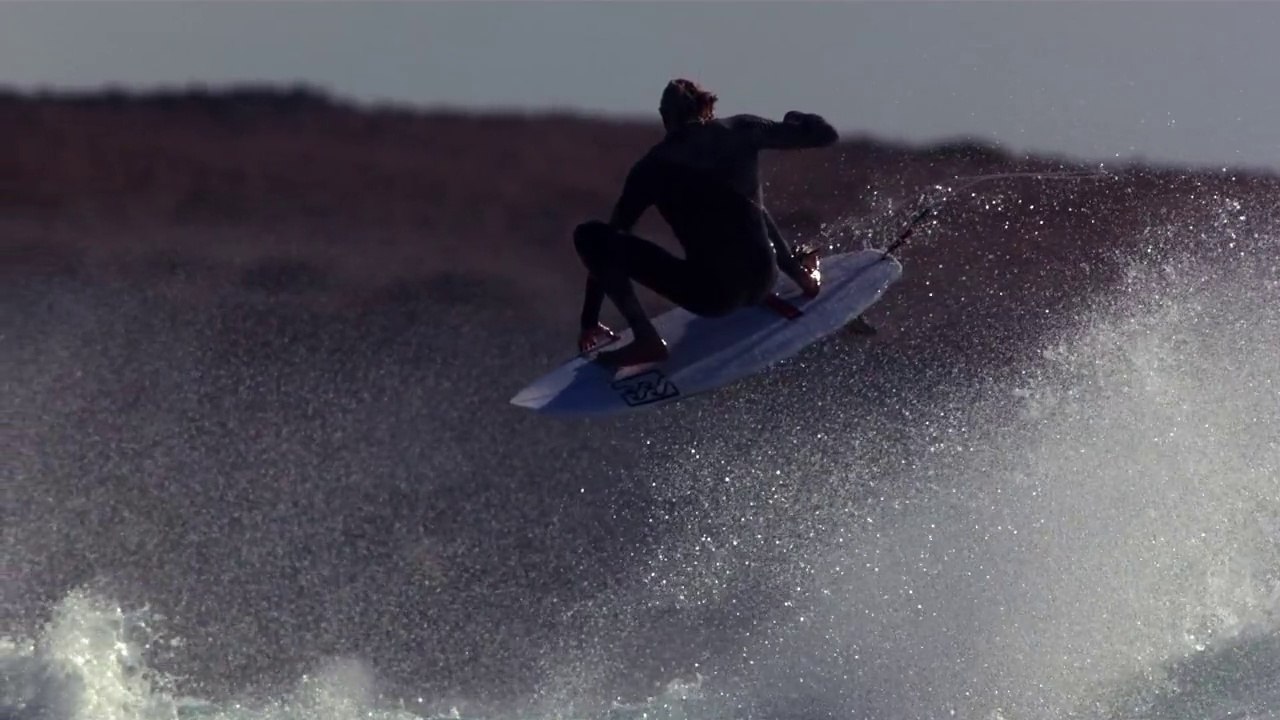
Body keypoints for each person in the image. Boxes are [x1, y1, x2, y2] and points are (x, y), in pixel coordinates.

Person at [573, 78, 839, 369]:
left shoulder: (651, 167)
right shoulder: (743, 129)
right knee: (746, 202)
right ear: (707, 108)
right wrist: (795, 119)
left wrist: (589, 320)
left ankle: (646, 337)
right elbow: (826, 135)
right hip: (763, 277)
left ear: (665, 117)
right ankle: (800, 276)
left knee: (590, 235)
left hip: (713, 296)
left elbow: (606, 246)